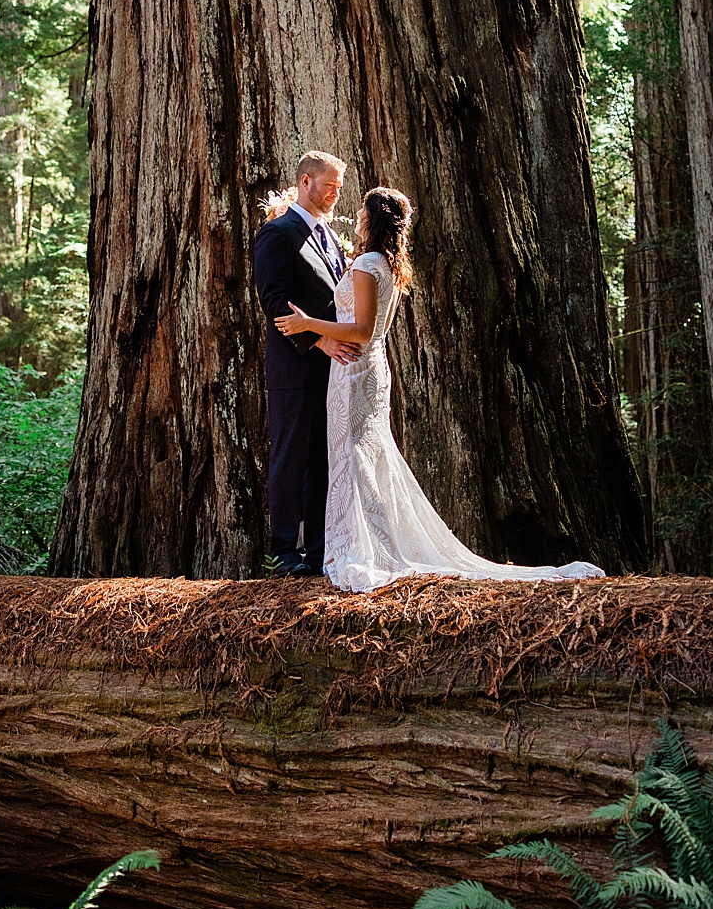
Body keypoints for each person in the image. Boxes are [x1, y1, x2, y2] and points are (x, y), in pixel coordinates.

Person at [276, 184, 603, 594]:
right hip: (372, 369)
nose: (356, 216)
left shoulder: (366, 266)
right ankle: (371, 542)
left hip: (354, 370)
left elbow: (360, 331)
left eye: (361, 211)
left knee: (354, 456)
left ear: (371, 219)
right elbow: (375, 332)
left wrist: (310, 325)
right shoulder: (389, 265)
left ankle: (366, 549)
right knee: (367, 456)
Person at [252, 150, 358, 578]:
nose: (335, 194)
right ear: (305, 182)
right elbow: (274, 303)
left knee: (322, 460)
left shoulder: (330, 238)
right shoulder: (277, 234)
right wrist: (321, 341)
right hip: (295, 370)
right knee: (291, 459)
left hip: (331, 370)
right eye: (328, 185)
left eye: (339, 187)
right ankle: (283, 552)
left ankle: (318, 551)